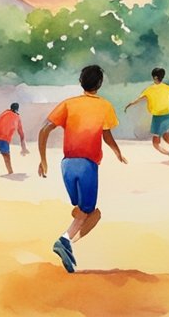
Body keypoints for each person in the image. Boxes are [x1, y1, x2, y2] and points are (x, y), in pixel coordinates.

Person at [38, 64, 126, 274]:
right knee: (91, 214)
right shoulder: (104, 106)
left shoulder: (69, 104)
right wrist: (117, 151)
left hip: (67, 165)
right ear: (100, 84)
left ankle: (67, 244)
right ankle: (65, 240)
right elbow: (106, 135)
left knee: (80, 211)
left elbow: (44, 130)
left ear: (81, 82)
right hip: (87, 165)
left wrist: (43, 160)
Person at [123, 67, 169, 160]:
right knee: (166, 137)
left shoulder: (149, 89)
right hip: (166, 116)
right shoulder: (168, 88)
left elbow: (138, 100)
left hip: (158, 118)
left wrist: (129, 105)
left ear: (154, 77)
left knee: (156, 143)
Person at [0, 102, 29, 175]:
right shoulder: (16, 117)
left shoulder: (5, 112)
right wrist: (24, 147)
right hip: (4, 137)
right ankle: (10, 172)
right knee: (6, 155)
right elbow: (21, 133)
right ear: (17, 109)